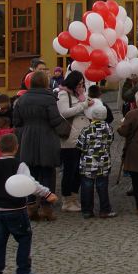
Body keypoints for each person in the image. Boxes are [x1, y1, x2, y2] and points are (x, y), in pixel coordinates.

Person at [0, 133, 57, 274]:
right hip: (15, 209)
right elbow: (31, 184)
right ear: (17, 148)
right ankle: (23, 271)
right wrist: (47, 194)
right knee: (24, 238)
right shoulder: (20, 165)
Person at [11, 70, 67, 221]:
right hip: (47, 138)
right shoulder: (49, 99)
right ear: (44, 83)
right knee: (47, 173)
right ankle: (46, 207)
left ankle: (30, 206)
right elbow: (55, 120)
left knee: (30, 174)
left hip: (27, 138)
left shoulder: (22, 100)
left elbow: (16, 121)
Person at [55, 71, 93, 213]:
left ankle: (74, 197)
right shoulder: (63, 94)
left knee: (79, 170)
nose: (81, 87)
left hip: (82, 136)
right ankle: (67, 199)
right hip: (70, 138)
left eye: (82, 84)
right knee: (70, 170)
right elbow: (64, 112)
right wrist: (84, 105)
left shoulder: (80, 94)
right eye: (79, 84)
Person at [74, 102, 115, 219]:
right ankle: (104, 209)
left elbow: (79, 145)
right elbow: (110, 141)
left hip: (88, 163)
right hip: (103, 162)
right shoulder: (109, 129)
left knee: (87, 186)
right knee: (102, 186)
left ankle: (87, 210)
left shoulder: (87, 130)